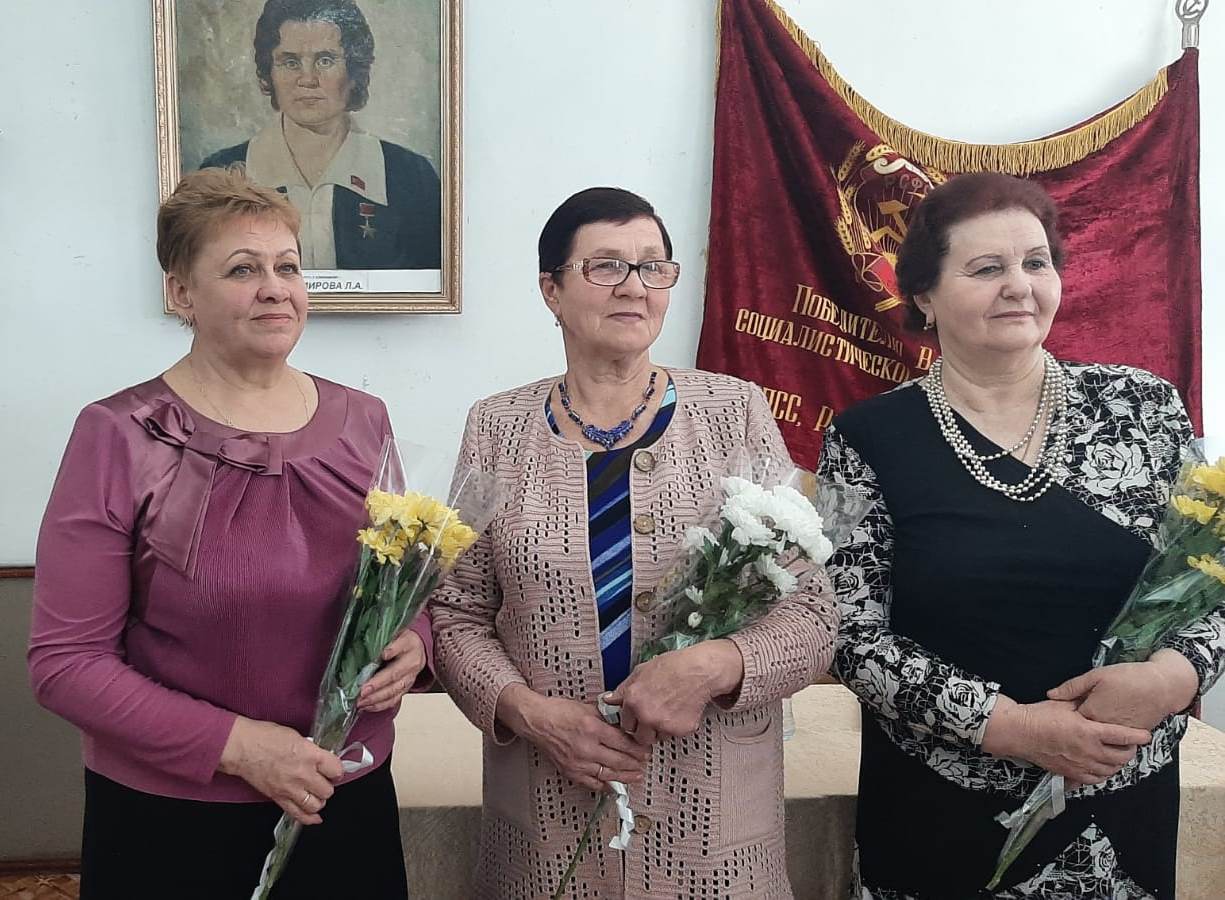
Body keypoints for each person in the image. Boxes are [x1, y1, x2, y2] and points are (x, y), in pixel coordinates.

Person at [817, 172, 1225, 898]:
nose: (1019, 286)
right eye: (986, 268)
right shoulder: (868, 438)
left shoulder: (1142, 408)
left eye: (1036, 262)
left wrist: (1172, 677)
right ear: (923, 296)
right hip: (939, 815)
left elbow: (1212, 577)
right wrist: (1011, 728)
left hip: (1119, 808)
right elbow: (848, 636)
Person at [28, 167, 431, 899]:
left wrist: (415, 642)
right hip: (172, 819)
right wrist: (239, 747)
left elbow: (396, 583)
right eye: (243, 269)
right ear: (182, 293)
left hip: (344, 794)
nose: (275, 289)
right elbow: (65, 664)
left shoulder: (364, 420)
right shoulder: (119, 434)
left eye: (288, 267)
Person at [430, 187, 840, 899]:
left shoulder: (734, 411)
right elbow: (455, 613)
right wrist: (529, 713)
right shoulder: (496, 428)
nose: (634, 286)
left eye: (653, 267)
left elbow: (812, 612)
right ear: (551, 290)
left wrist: (715, 664)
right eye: (605, 266)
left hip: (713, 831)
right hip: (548, 816)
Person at [201, 0, 442, 270]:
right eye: (290, 62)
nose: (308, 79)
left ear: (354, 72)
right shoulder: (220, 175)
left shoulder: (412, 177)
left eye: (325, 60)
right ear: (269, 73)